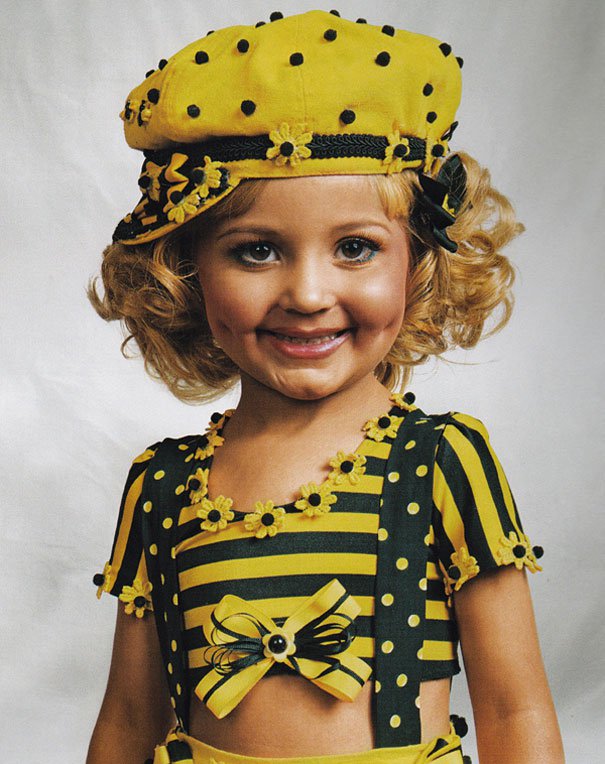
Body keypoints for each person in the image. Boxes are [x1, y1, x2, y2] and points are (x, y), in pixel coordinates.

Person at [86, 10, 564, 764]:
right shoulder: (162, 485)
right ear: (184, 271)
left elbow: (515, 709)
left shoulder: (440, 461)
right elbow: (127, 718)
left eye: (355, 248)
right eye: (256, 251)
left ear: (418, 262)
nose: (308, 294)